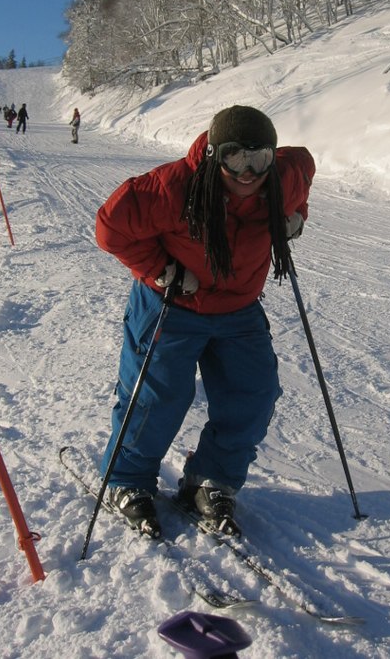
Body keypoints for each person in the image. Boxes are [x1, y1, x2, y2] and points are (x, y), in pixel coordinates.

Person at [95, 105, 314, 538]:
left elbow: (303, 165)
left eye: (259, 159)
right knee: (157, 397)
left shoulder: (283, 178)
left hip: (239, 308)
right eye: (235, 157)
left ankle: (210, 479)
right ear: (214, 154)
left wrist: (296, 216)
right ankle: (126, 479)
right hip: (172, 305)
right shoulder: (172, 188)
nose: (248, 172)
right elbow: (110, 229)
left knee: (253, 394)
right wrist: (161, 268)